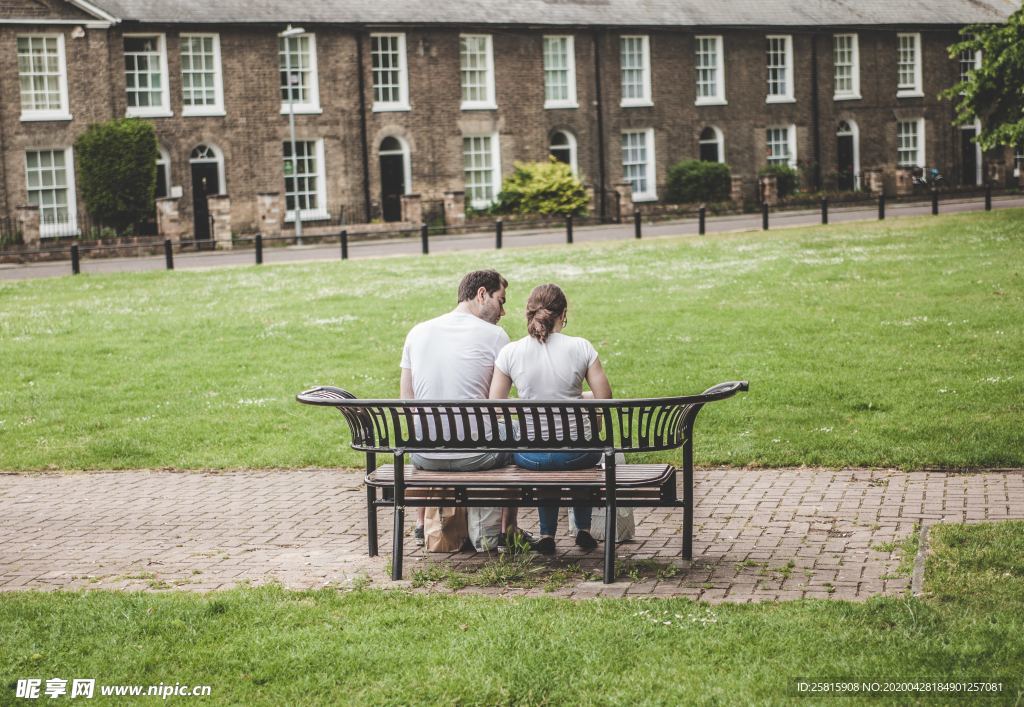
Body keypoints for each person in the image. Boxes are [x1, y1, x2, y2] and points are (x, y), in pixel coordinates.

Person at [400, 269, 525, 550]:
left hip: (425, 456)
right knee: (519, 436)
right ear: (482, 294)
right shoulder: (495, 336)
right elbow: (498, 408)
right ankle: (507, 529)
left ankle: (422, 525)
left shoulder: (417, 332)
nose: (502, 311)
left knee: (425, 431)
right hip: (477, 455)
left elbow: (407, 401)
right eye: (501, 301)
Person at [488, 283, 613, 554]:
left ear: (529, 313)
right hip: (579, 455)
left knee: (545, 460)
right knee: (582, 450)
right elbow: (605, 398)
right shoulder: (581, 347)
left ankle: (547, 533)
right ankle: (582, 529)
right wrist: (578, 399)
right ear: (563, 313)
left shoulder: (511, 352)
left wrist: (527, 408)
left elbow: (496, 405)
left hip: (531, 456)